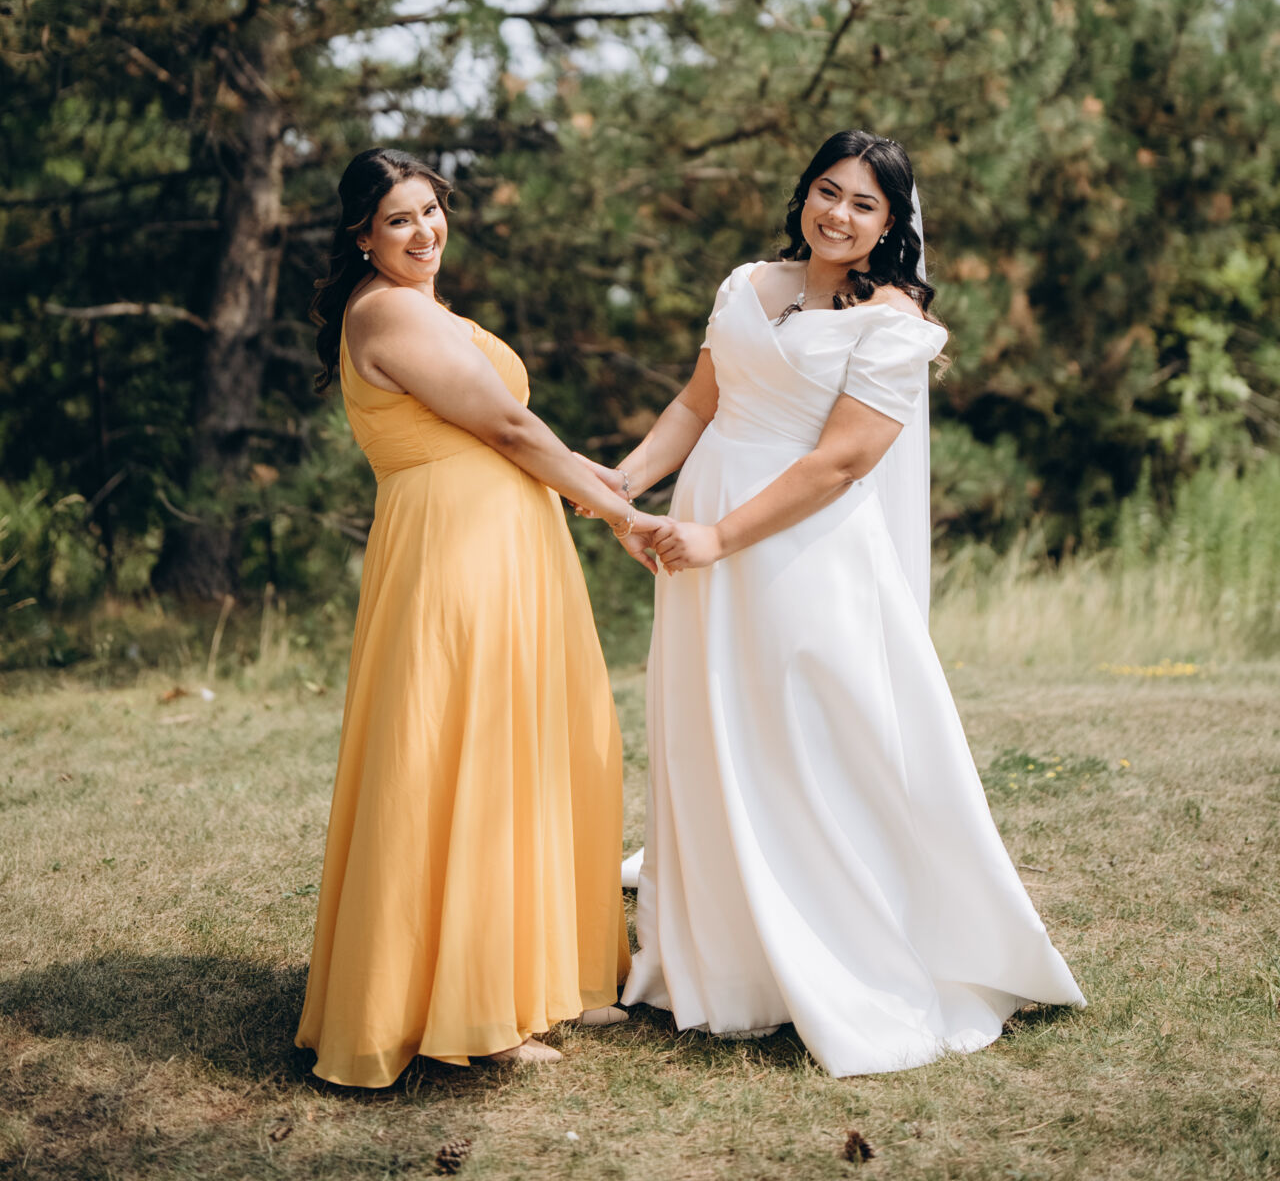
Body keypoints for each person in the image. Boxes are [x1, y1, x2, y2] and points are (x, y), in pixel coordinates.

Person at [580, 130, 1085, 1075]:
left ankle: (833, 957)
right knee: (709, 727)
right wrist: (625, 482)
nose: (838, 215)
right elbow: (696, 405)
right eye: (827, 191)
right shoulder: (746, 285)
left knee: (804, 739)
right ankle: (722, 959)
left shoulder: (893, 322)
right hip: (702, 531)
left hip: (796, 547)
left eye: (863, 204)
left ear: (890, 224)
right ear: (803, 193)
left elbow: (843, 460)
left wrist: (719, 537)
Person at [295, 147, 660, 1082]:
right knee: (473, 759)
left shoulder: (422, 306)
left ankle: (549, 973)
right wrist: (619, 512)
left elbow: (512, 430)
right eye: (398, 220)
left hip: (507, 545)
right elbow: (505, 427)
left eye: (431, 210)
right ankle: (477, 1010)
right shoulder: (385, 311)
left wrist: (597, 484)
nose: (424, 232)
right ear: (363, 236)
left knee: (538, 748)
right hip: (456, 555)